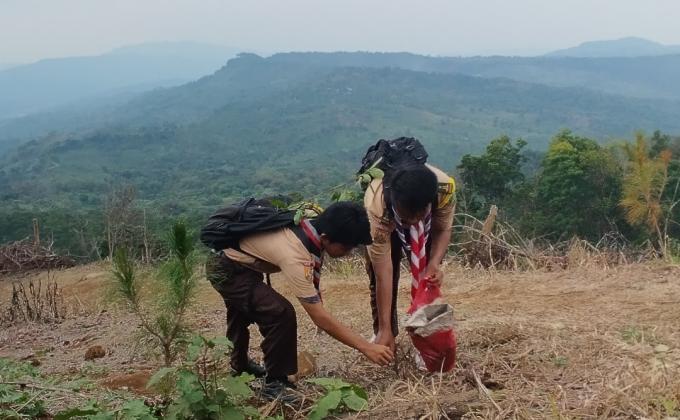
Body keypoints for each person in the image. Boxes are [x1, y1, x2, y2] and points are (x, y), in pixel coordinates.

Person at [205, 201, 394, 403]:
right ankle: (275, 383)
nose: (349, 251)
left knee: (241, 310)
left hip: (236, 262)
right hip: (227, 267)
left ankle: (240, 365)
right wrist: (366, 347)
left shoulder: (310, 225)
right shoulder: (296, 255)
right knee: (280, 313)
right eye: (347, 246)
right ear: (325, 238)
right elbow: (319, 317)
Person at [364, 162, 456, 351]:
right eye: (408, 216)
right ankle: (384, 332)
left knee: (429, 280)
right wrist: (385, 327)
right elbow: (383, 273)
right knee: (379, 277)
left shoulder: (445, 189)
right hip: (387, 224)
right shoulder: (377, 206)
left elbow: (443, 229)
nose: (413, 221)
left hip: (427, 228)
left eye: (418, 214)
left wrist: (434, 263)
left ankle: (427, 337)